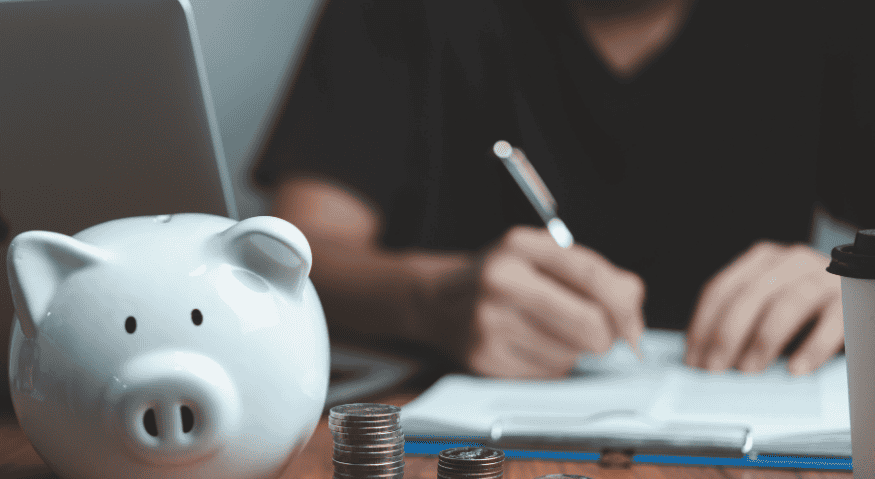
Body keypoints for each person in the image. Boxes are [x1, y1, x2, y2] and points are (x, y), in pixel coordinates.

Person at [253, 0, 875, 378]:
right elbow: (291, 259)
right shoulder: (401, 9)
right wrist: (434, 298)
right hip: (454, 456)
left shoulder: (829, 13)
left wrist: (862, 285)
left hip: (764, 446)